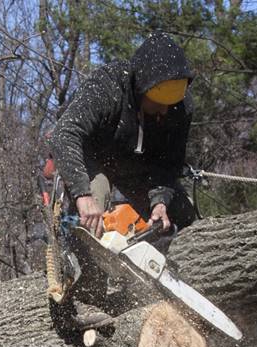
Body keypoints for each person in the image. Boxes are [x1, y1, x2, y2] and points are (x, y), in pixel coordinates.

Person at [43, 33, 198, 324]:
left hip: (139, 166)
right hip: (94, 158)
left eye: (170, 104)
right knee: (92, 215)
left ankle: (179, 286)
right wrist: (82, 194)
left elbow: (170, 164)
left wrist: (160, 201)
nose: (164, 111)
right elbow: (65, 134)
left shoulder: (178, 106)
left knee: (181, 212)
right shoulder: (108, 85)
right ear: (141, 89)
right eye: (157, 103)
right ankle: (88, 298)